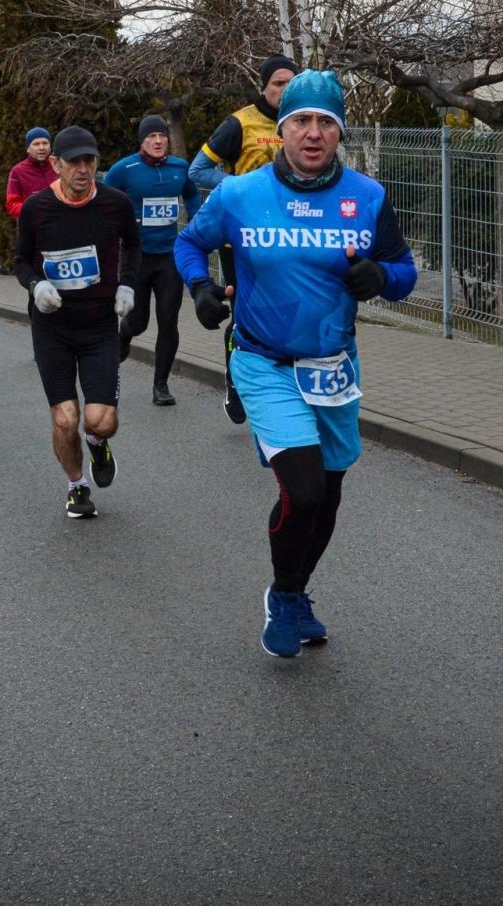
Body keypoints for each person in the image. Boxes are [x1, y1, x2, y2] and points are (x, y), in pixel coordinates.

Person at [173, 71, 418, 657]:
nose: (313, 134)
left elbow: (405, 272)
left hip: (333, 364)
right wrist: (200, 290)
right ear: (281, 130)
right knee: (303, 492)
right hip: (264, 361)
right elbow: (190, 243)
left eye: (326, 123)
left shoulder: (369, 196)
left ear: (339, 132)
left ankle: (298, 592)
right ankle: (282, 597)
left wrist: (381, 276)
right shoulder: (238, 194)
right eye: (301, 121)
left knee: (329, 496)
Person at [13, 125, 140, 519]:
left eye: (90, 161)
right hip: (53, 327)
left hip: (100, 325)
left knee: (100, 421)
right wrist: (36, 286)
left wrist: (128, 286)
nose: (83, 170)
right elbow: (19, 261)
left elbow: (134, 245)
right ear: (56, 165)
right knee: (65, 417)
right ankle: (76, 485)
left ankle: (97, 443)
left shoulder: (115, 203)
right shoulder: (36, 209)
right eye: (74, 162)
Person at [189, 54, 300, 424]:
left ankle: (282, 384)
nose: (284, 90)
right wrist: (242, 187)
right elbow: (198, 170)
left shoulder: (302, 122)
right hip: (242, 240)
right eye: (278, 83)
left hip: (291, 238)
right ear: (264, 87)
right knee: (245, 317)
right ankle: (236, 384)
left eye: (290, 82)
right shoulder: (239, 123)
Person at [102, 115, 201, 406]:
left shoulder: (180, 168)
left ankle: (161, 385)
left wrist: (198, 224)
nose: (158, 141)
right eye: (151, 137)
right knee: (139, 321)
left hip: (170, 257)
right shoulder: (124, 169)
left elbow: (192, 195)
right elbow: (104, 200)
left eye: (162, 136)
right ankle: (124, 334)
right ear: (142, 141)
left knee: (169, 321)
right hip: (136, 257)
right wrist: (119, 223)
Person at [4, 126, 57, 220]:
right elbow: (12, 204)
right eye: (36, 144)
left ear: (50, 146)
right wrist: (34, 212)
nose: (41, 148)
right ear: (28, 148)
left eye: (45, 143)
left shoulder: (59, 166)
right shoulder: (17, 171)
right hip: (33, 227)